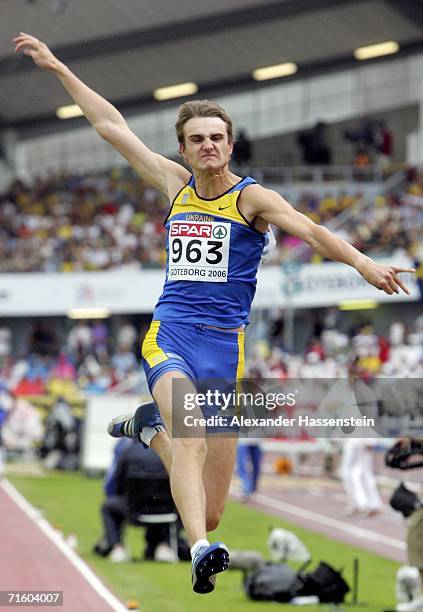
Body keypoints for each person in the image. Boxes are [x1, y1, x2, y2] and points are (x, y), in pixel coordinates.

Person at [14, 32, 415, 594]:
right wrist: (58, 67)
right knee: (194, 443)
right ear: (183, 149)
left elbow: (313, 230)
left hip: (225, 347)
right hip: (171, 334)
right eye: (197, 139)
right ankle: (201, 551)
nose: (207, 146)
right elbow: (111, 127)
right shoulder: (175, 186)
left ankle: (148, 432)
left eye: (217, 138)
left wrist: (362, 264)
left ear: (230, 145)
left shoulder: (251, 199)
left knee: (213, 507)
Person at [93, 438, 189, 563]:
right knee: (186, 504)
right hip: (167, 510)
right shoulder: (171, 452)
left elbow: (116, 485)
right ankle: (165, 545)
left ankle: (117, 547)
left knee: (108, 506)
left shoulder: (128, 452)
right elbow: (183, 485)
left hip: (134, 511)